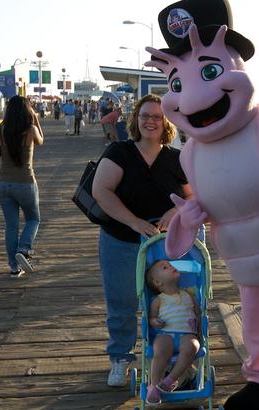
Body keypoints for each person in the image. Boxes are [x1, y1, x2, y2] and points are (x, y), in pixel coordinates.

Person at [91, 94, 193, 388]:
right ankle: (121, 358)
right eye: (145, 115)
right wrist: (134, 222)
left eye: (157, 117)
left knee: (168, 300)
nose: (150, 121)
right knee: (121, 300)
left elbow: (193, 196)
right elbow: (102, 191)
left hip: (165, 244)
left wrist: (175, 211)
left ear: (166, 123)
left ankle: (172, 359)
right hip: (120, 238)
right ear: (135, 119)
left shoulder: (176, 158)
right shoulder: (120, 151)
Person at [0, 96, 44, 278]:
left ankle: (14, 267)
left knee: (11, 226)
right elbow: (41, 141)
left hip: (3, 185)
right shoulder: (31, 129)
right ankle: (24, 248)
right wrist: (35, 120)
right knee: (33, 219)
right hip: (25, 183)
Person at [144, 259, 201, 405]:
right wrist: (154, 321)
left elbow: (198, 314)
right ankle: (154, 386)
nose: (171, 267)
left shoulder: (189, 296)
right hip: (166, 334)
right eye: (165, 267)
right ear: (158, 282)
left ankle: (169, 380)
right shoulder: (158, 300)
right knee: (161, 349)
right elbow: (151, 318)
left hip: (186, 335)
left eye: (170, 265)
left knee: (193, 346)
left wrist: (199, 332)